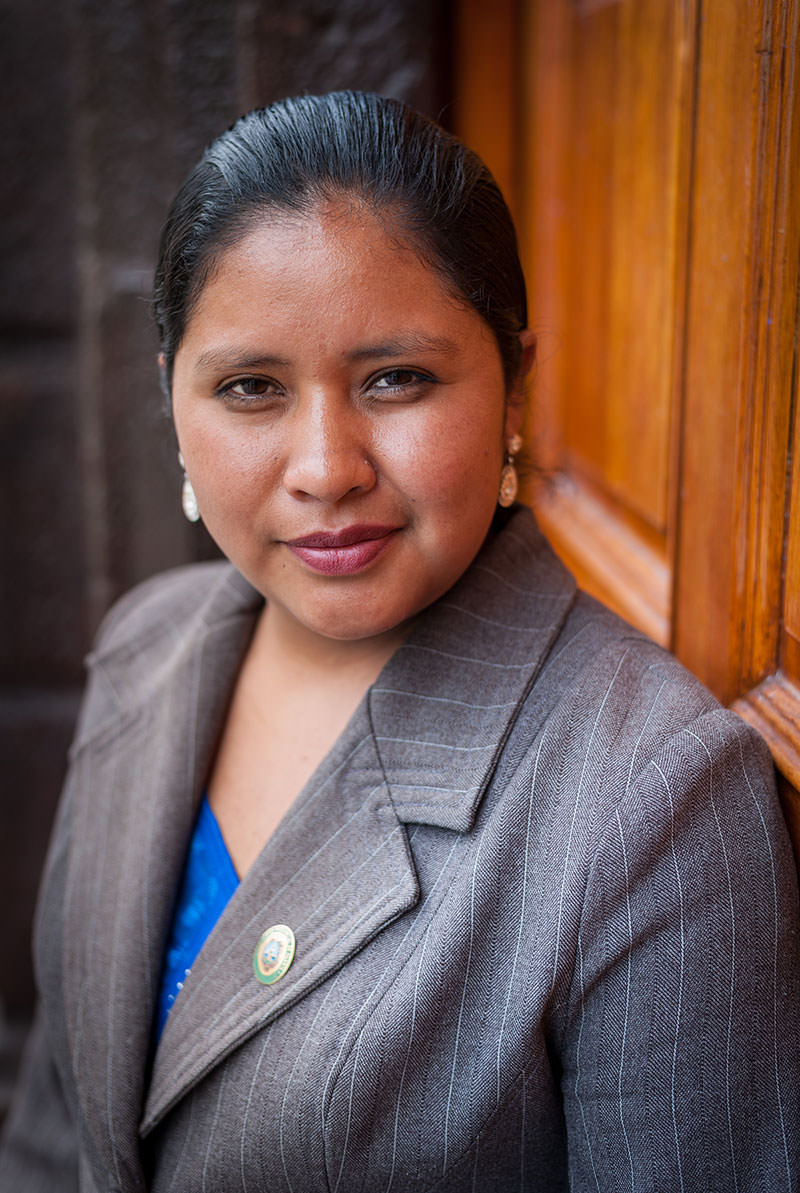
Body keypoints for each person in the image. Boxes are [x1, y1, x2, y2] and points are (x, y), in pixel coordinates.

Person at [1, 91, 798, 1193]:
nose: (326, 467)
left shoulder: (653, 799)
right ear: (171, 398)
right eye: (250, 388)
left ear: (514, 388)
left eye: (395, 379)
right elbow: (58, 1126)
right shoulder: (150, 646)